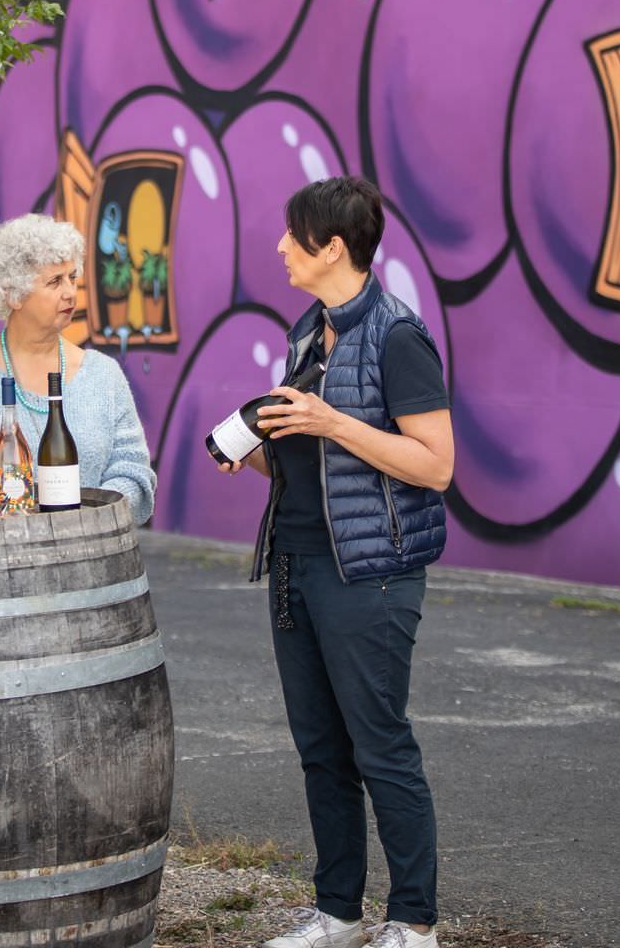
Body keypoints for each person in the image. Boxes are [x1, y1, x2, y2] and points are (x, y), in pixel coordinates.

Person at [219, 176, 454, 948]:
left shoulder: (397, 336)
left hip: (371, 574)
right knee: (321, 749)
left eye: (294, 236)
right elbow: (320, 462)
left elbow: (434, 466)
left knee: (380, 746)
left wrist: (329, 419)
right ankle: (339, 912)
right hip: (296, 564)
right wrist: (256, 454)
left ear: (334, 247)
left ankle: (413, 922)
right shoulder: (308, 330)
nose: (282, 247)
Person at [0, 213, 155, 523]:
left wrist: (89, 518)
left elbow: (135, 473)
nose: (71, 292)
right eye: (55, 281)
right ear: (12, 294)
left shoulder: (104, 375)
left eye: (72, 277)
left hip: (95, 558)